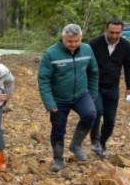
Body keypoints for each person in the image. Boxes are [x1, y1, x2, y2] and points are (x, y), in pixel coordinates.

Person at [37, 23, 98, 172]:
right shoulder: (51, 54)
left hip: (81, 94)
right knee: (58, 129)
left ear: (80, 38)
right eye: (70, 41)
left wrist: (92, 93)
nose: (73, 44)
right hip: (59, 98)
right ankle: (58, 158)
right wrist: (49, 102)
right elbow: (43, 79)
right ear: (63, 38)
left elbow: (94, 71)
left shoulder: (87, 49)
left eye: (77, 41)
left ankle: (76, 145)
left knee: (90, 114)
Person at [88, 19, 130, 157]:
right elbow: (86, 64)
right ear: (106, 30)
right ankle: (95, 141)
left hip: (113, 86)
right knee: (96, 112)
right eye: (111, 32)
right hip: (95, 84)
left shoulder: (126, 46)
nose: (114, 36)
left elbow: (129, 67)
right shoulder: (94, 43)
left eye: (117, 33)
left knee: (110, 120)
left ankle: (102, 142)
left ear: (121, 32)